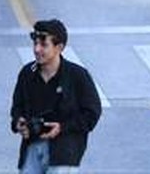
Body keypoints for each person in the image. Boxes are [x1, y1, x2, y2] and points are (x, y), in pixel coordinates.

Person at [10, 19, 102, 173]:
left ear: (59, 47)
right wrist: (18, 122)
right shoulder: (27, 73)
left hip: (64, 152)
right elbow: (17, 107)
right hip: (32, 148)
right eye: (35, 44)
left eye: (44, 45)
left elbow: (92, 113)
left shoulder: (77, 76)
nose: (37, 49)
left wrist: (62, 127)